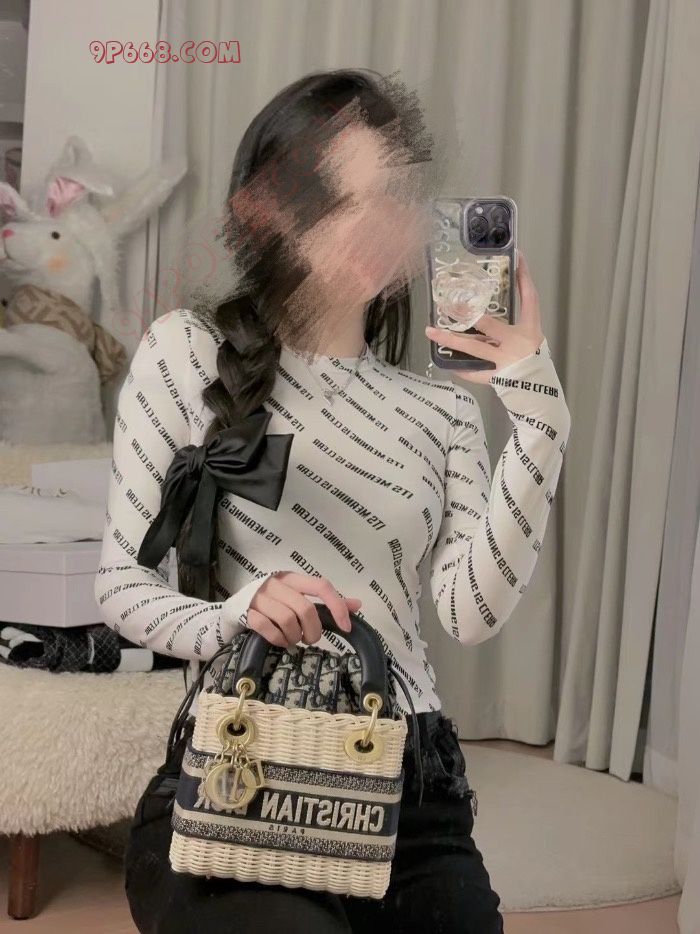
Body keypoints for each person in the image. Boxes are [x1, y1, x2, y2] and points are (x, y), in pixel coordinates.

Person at [95, 67, 571, 934]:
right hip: (239, 771)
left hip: (411, 784)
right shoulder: (186, 353)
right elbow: (122, 589)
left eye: (397, 199)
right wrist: (238, 610)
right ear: (273, 213)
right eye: (348, 200)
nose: (380, 225)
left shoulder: (442, 410)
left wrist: (538, 417)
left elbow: (468, 615)